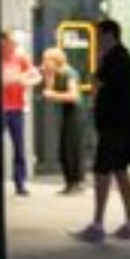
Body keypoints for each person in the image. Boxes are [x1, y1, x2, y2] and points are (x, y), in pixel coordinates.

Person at [76, 19, 130, 241]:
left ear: (110, 35)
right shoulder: (124, 57)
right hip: (123, 125)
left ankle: (97, 225)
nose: (98, 41)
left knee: (102, 173)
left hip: (113, 127)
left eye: (100, 36)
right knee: (120, 172)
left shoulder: (115, 58)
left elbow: (95, 82)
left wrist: (99, 65)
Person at [0, 32, 41, 197]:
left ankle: (20, 182)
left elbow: (36, 75)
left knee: (19, 147)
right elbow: (3, 81)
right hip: (0, 108)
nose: (12, 47)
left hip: (16, 107)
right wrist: (19, 77)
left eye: (14, 44)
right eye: (9, 43)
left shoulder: (21, 58)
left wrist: (25, 81)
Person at [39, 46, 85, 194]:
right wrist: (47, 74)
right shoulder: (58, 73)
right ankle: (69, 182)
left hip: (75, 112)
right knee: (64, 147)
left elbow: (73, 96)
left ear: (55, 60)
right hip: (66, 111)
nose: (45, 63)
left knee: (72, 147)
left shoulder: (69, 73)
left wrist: (53, 95)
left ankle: (76, 182)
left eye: (47, 61)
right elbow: (49, 88)